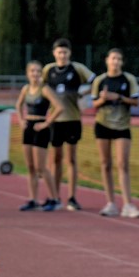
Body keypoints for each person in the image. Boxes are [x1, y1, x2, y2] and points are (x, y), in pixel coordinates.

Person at [42, 39, 95, 211]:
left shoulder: (77, 69)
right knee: (55, 159)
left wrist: (84, 94)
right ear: (54, 53)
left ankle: (72, 197)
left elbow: (96, 81)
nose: (62, 55)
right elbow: (41, 88)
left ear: (69, 53)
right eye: (59, 52)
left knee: (71, 159)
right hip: (55, 121)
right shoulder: (48, 70)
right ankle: (54, 196)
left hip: (72, 119)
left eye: (65, 52)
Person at [91, 49, 139, 218]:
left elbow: (136, 101)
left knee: (122, 164)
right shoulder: (99, 80)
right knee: (105, 163)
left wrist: (118, 97)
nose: (116, 62)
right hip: (103, 124)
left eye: (119, 59)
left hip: (122, 125)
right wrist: (103, 99)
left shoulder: (128, 79)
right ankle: (110, 203)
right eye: (113, 58)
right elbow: (94, 104)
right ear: (107, 60)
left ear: (122, 62)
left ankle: (128, 204)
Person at [15, 60, 64, 212]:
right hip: (28, 127)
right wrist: (21, 120)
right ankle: (33, 199)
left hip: (41, 128)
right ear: (27, 74)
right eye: (32, 71)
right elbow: (18, 105)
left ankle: (55, 199)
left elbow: (60, 107)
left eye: (38, 71)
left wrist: (46, 123)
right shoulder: (26, 88)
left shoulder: (45, 89)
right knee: (30, 167)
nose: (35, 74)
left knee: (41, 167)